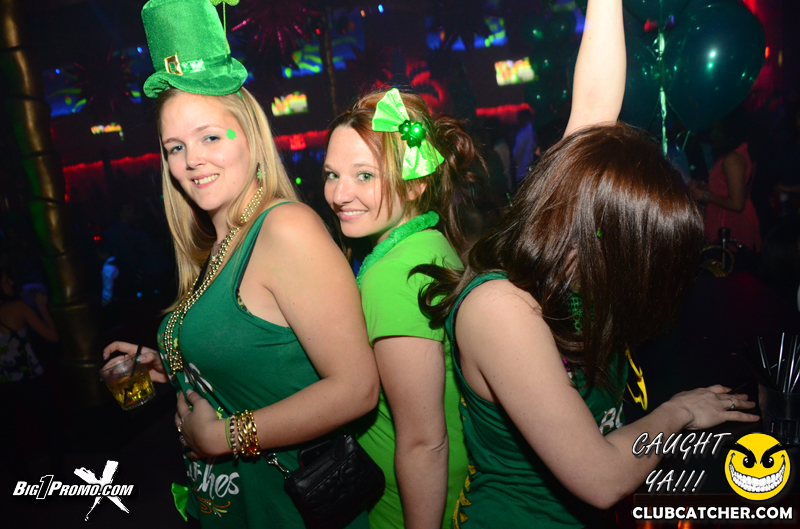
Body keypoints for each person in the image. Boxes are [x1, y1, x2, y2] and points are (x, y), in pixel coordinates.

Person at [415, 0, 760, 526]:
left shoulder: (574, 237)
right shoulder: (500, 306)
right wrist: (680, 412)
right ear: (615, 237)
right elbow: (601, 478)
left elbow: (597, 100)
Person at [102, 1, 379, 527]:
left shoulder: (284, 229)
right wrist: (175, 363)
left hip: (285, 512)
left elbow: (357, 388)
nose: (192, 160)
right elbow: (257, 355)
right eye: (175, 147)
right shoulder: (219, 243)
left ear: (249, 134)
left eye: (210, 136)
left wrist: (223, 437)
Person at [322, 86, 482, 529]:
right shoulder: (429, 242)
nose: (339, 194)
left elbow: (424, 442)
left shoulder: (394, 274)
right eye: (332, 174)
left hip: (410, 506)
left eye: (364, 176)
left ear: (415, 183)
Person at [0, 254, 62, 483]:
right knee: (51, 426)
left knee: (8, 437)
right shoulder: (18, 307)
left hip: (5, 385)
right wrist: (42, 307)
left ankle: (23, 482)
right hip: (32, 379)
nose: (11, 282)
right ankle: (57, 477)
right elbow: (52, 336)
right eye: (6, 280)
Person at [689, 106, 762, 251]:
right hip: (727, 220)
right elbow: (732, 188)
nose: (712, 133)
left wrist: (704, 195)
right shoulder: (735, 153)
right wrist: (710, 188)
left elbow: (737, 204)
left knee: (730, 262)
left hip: (731, 223)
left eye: (716, 129)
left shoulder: (733, 159)